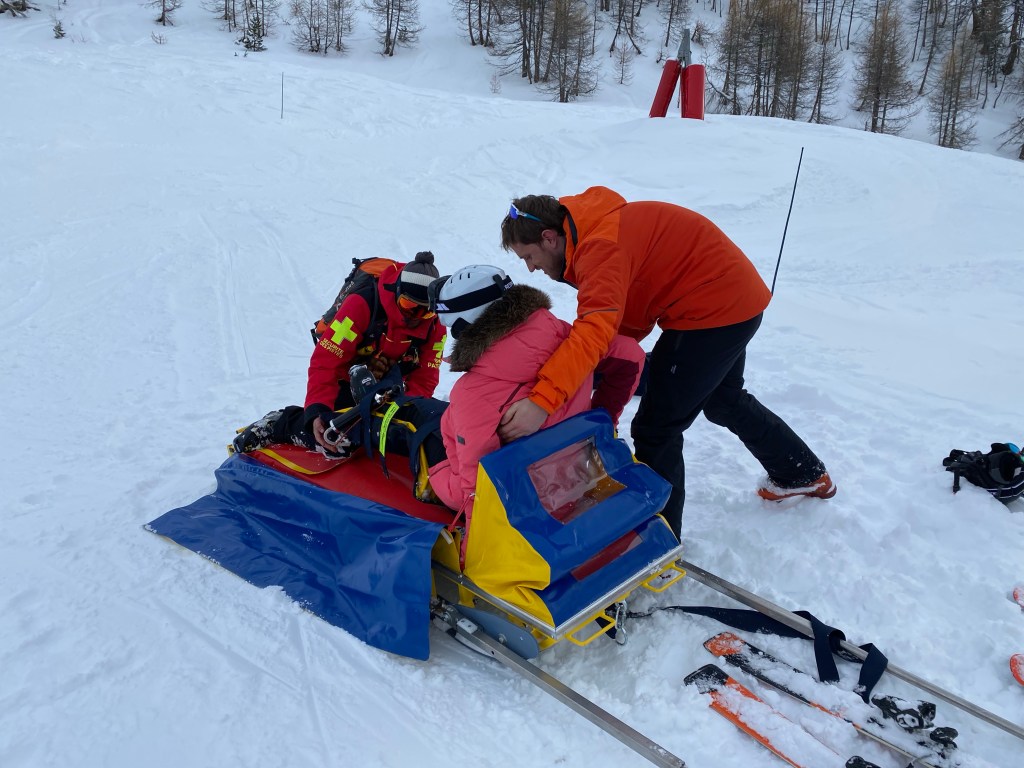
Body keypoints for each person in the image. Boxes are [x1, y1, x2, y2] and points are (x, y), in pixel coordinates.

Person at [496, 186, 835, 539]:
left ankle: (658, 540)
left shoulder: (600, 248)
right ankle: (801, 473)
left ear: (549, 238)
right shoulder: (595, 227)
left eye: (528, 256)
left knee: (656, 430)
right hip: (736, 299)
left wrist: (541, 401)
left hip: (711, 313)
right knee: (723, 400)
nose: (531, 268)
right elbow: (618, 327)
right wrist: (581, 376)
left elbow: (594, 332)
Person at [425, 264, 647, 520]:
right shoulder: (570, 342)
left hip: (528, 499)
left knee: (425, 440)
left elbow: (477, 491)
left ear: (465, 327)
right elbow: (630, 355)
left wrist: (472, 554)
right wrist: (601, 422)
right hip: (577, 474)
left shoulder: (473, 393)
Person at [232, 251, 446, 455]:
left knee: (393, 433)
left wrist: (398, 413)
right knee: (333, 436)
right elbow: (326, 361)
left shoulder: (435, 324)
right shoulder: (362, 305)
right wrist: (316, 411)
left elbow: (426, 376)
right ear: (397, 292)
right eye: (408, 304)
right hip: (346, 376)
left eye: (425, 310)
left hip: (390, 382)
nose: (415, 316)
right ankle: (282, 423)